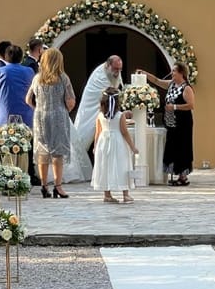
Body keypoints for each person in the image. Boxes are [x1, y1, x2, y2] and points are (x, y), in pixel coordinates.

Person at [26, 47, 76, 199]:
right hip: (59, 116)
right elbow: (70, 100)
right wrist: (64, 108)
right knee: (57, 152)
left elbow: (28, 99)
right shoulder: (62, 78)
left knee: (42, 150)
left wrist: (38, 108)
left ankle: (44, 186)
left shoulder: (37, 78)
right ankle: (58, 186)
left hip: (40, 116)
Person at [65, 54, 123, 183]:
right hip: (90, 109)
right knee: (84, 137)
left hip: (106, 109)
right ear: (108, 65)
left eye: (120, 70)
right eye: (115, 69)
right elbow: (105, 94)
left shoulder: (113, 73)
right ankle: (77, 167)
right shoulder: (100, 76)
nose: (118, 72)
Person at [139, 63, 195, 185]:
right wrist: (145, 74)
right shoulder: (171, 84)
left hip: (182, 123)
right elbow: (157, 81)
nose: (172, 73)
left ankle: (183, 176)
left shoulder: (186, 88)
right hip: (171, 123)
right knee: (173, 147)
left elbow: (191, 105)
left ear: (181, 73)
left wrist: (174, 106)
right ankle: (174, 173)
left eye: (174, 71)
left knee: (182, 147)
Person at [92, 87, 139, 203]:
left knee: (105, 166)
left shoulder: (100, 115)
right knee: (122, 165)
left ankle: (107, 194)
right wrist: (133, 147)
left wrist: (95, 146)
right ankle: (125, 194)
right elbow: (124, 132)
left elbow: (97, 132)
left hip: (104, 141)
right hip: (118, 142)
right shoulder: (120, 115)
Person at [0, 45, 35, 130]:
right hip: (27, 119)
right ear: (21, 57)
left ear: (5, 57)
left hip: (5, 119)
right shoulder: (30, 71)